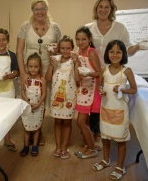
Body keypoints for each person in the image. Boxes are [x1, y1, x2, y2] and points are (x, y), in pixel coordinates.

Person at [85, 0, 143, 150]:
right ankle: (95, 135)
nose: (103, 10)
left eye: (106, 7)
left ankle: (112, 132)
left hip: (114, 73)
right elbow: (83, 46)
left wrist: (137, 47)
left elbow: (128, 51)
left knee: (110, 102)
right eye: (100, 7)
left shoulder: (120, 28)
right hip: (93, 73)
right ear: (96, 9)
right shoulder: (89, 27)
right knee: (94, 104)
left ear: (111, 10)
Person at [16, 0, 62, 146]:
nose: (40, 12)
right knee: (29, 99)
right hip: (30, 71)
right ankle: (29, 129)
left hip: (49, 71)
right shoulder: (25, 27)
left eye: (43, 9)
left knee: (42, 100)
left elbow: (62, 49)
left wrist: (56, 50)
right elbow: (19, 50)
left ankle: (38, 131)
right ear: (32, 11)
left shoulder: (55, 27)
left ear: (47, 10)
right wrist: (23, 73)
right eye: (37, 9)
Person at [92, 40, 137, 180]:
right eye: (112, 51)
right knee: (105, 137)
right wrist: (101, 90)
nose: (115, 54)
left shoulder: (126, 71)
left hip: (119, 110)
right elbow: (99, 85)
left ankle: (120, 166)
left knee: (120, 139)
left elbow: (134, 89)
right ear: (107, 53)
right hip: (106, 108)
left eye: (118, 52)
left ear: (123, 54)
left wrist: (122, 89)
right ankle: (106, 160)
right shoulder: (104, 70)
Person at [45, 35, 80, 159]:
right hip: (56, 95)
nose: (65, 51)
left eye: (68, 48)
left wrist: (76, 64)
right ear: (59, 49)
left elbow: (77, 78)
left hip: (69, 96)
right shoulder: (55, 60)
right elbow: (48, 78)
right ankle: (58, 146)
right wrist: (50, 65)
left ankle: (64, 147)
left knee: (67, 122)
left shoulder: (74, 60)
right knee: (57, 121)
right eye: (62, 48)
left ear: (72, 48)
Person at [74, 26, 101, 159]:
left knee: (80, 121)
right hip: (82, 90)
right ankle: (87, 143)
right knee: (86, 121)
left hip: (92, 90)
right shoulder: (79, 52)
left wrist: (89, 73)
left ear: (89, 40)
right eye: (78, 39)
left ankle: (91, 149)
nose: (80, 42)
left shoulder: (91, 53)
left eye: (83, 39)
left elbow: (99, 72)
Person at [20, 53, 46, 157]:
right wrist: (27, 101)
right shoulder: (25, 78)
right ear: (27, 66)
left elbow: (44, 93)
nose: (33, 69)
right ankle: (26, 145)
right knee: (27, 127)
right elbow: (22, 92)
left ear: (40, 67)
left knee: (36, 127)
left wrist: (39, 104)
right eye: (30, 66)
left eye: (36, 67)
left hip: (38, 106)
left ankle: (35, 145)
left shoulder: (42, 78)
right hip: (27, 105)